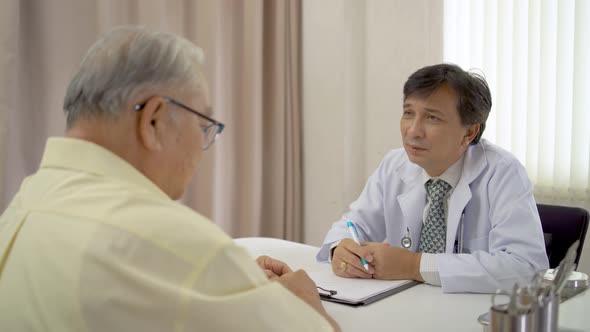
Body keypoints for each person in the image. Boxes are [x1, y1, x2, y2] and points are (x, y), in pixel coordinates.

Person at [0, 26, 339, 331]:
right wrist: (305, 306)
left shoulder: (21, 209)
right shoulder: (175, 246)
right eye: (203, 122)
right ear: (154, 120)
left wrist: (227, 285)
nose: (204, 146)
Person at [317, 63, 549, 293]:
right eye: (409, 113)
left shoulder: (501, 171)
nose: (413, 131)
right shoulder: (394, 164)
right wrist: (339, 249)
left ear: (469, 132)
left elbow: (526, 267)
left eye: (432, 118)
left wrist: (414, 265)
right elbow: (353, 225)